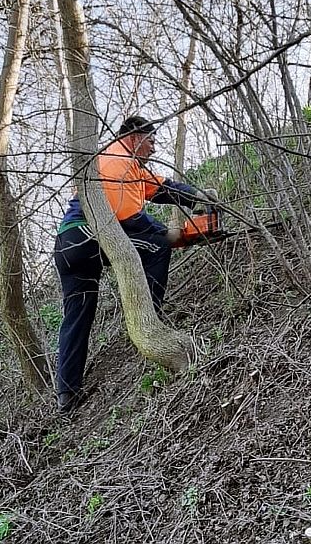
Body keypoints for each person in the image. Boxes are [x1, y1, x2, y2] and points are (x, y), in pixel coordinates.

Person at [54, 115, 216, 413]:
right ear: (134, 138)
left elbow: (162, 187)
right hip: (89, 236)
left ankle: (67, 392)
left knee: (77, 315)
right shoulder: (120, 161)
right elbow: (127, 215)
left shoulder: (117, 164)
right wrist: (170, 236)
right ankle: (149, 321)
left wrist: (200, 197)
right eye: (151, 141)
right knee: (156, 247)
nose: (154, 149)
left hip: (67, 244)